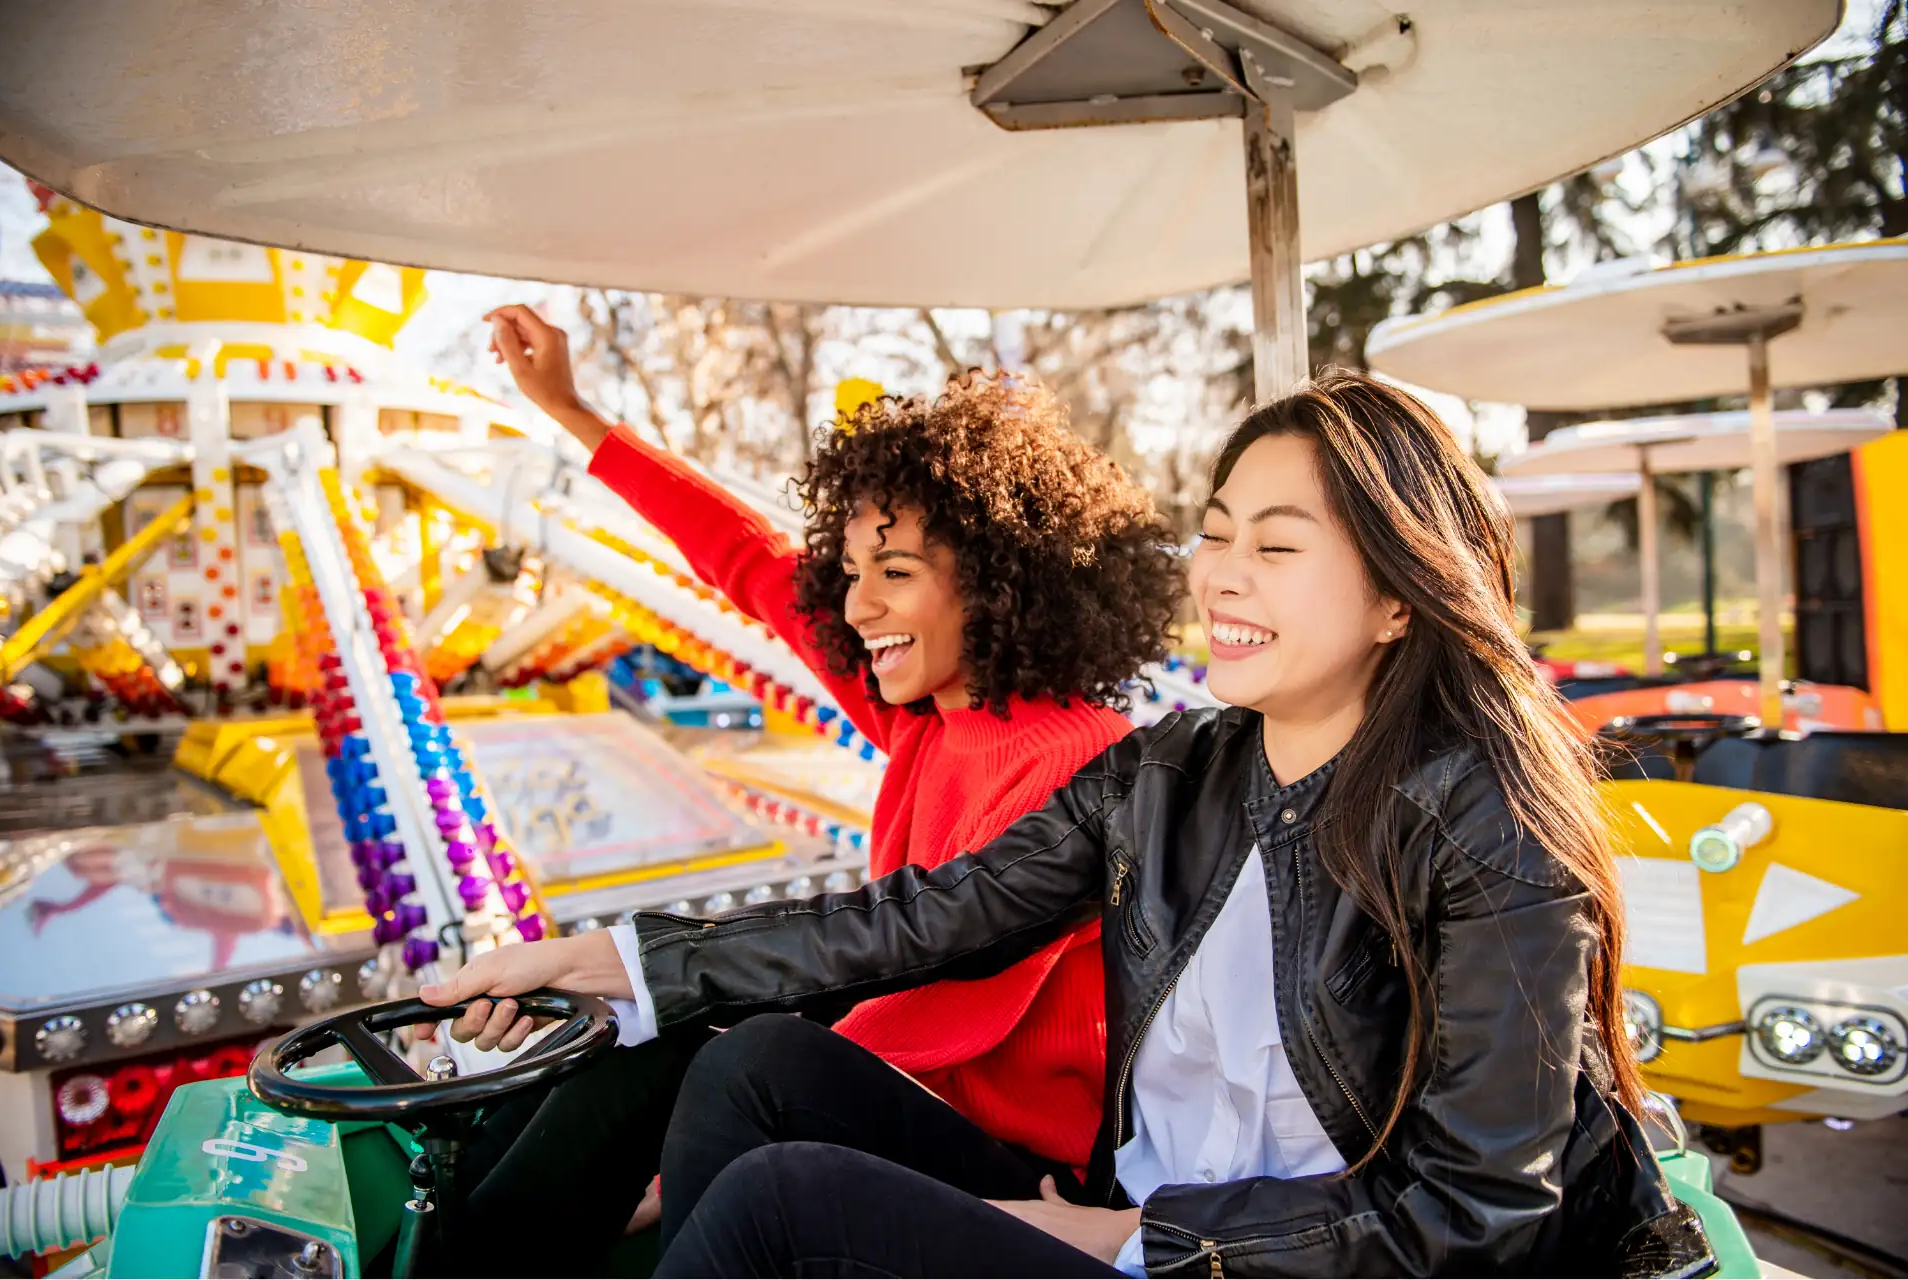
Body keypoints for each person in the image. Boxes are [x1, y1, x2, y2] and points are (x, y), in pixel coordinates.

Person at [425, 370, 1715, 1278]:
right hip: (1129, 1209)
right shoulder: (1175, 769)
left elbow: (1474, 1212)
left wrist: (1135, 1239)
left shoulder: (1487, 827)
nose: (1220, 576)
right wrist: (608, 962)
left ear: (1399, 599)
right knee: (753, 1061)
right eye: (1214, 537)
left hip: (1249, 1263)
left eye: (1276, 547)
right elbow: (927, 915)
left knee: (781, 1196)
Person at [435, 305, 1184, 1268]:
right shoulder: (925, 719)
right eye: (853, 570)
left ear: (997, 584)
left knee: (736, 1048)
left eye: (896, 572)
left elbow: (932, 984)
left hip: (1031, 1175)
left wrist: (681, 1015)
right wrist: (576, 415)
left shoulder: (1082, 759)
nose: (858, 604)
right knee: (685, 1033)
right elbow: (749, 563)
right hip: (921, 1105)